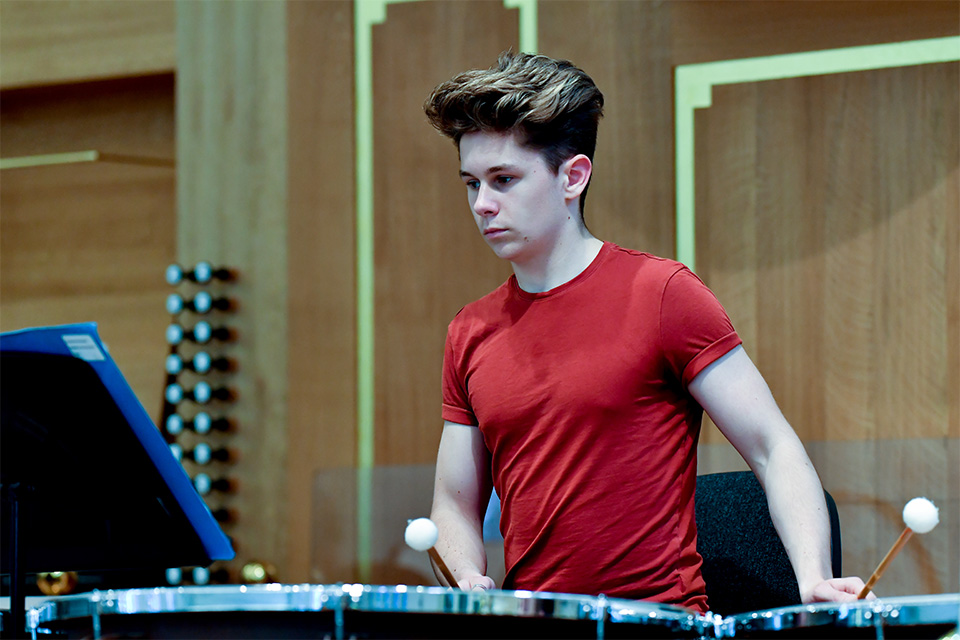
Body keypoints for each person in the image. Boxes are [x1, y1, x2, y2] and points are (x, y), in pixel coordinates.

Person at [422, 51, 867, 614]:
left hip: (659, 620)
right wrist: (466, 576)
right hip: (534, 624)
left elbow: (772, 447)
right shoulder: (470, 331)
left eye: (504, 180)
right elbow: (454, 505)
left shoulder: (662, 295)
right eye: (471, 183)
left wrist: (814, 578)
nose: (483, 205)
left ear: (572, 176)